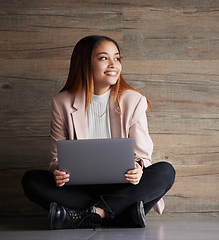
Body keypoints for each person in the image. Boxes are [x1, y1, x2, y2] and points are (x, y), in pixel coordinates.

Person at [22, 35, 176, 230]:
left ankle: (90, 215)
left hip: (123, 187)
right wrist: (58, 172)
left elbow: (143, 156)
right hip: (80, 189)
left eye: (117, 58)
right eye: (104, 58)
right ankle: (121, 216)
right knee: (31, 180)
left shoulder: (134, 100)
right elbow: (55, 159)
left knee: (165, 171)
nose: (113, 64)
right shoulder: (61, 102)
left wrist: (138, 168)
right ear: (85, 63)